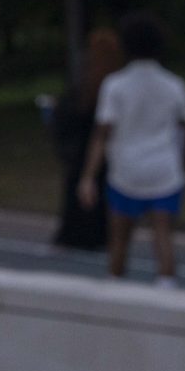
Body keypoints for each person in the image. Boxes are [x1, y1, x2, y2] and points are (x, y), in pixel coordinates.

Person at [79, 13, 185, 286]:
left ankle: (115, 290)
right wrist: (181, 162)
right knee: (163, 236)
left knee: (119, 239)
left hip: (126, 169)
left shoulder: (115, 85)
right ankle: (167, 289)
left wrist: (88, 177)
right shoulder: (174, 84)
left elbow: (102, 134)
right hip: (164, 168)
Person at [51, 28, 123, 249]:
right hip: (101, 148)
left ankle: (75, 233)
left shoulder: (87, 85)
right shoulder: (111, 84)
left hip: (82, 147)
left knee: (80, 190)